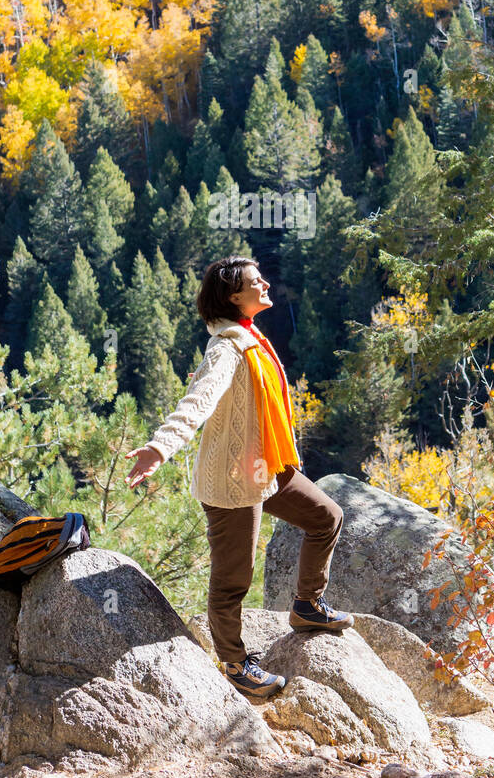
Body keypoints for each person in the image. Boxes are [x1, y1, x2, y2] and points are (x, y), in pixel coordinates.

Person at [125, 254, 353, 699]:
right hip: (232, 481)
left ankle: (307, 605)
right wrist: (160, 446)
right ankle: (234, 663)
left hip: (265, 467)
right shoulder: (226, 349)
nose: (265, 283)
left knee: (326, 516)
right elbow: (199, 400)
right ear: (233, 297)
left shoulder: (249, 338)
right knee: (234, 580)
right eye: (255, 281)